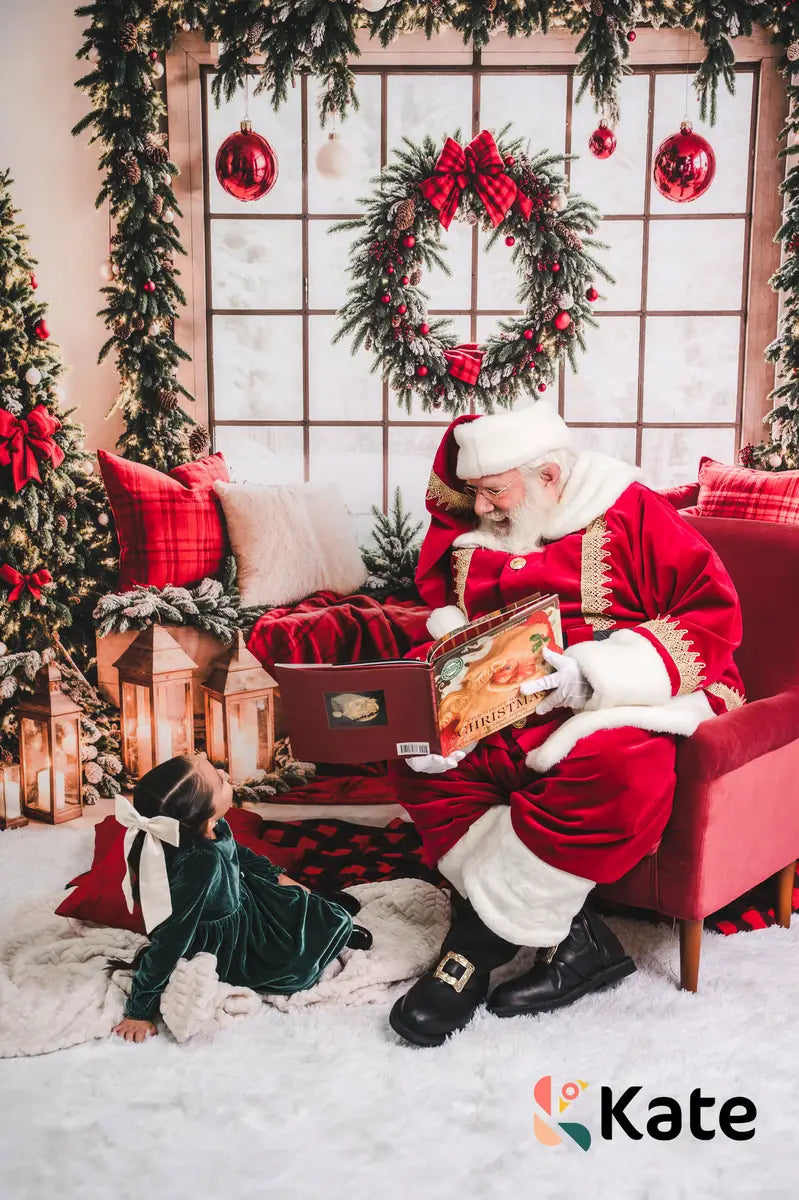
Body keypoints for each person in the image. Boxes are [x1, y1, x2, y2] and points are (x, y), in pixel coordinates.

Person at [388, 404, 745, 1048]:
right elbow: (460, 627)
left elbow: (711, 613)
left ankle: (473, 947)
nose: (486, 508)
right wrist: (442, 708)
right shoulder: (487, 528)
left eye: (497, 492)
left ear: (549, 476)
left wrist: (596, 674)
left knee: (619, 772)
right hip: (505, 693)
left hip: (615, 689)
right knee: (419, 756)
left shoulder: (631, 509)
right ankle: (580, 944)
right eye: (477, 494)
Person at [112, 752, 371, 1043]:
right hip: (235, 939)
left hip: (246, 894)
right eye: (219, 781)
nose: (224, 774)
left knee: (299, 899)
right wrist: (139, 1009)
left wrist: (276, 876)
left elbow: (240, 854)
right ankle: (339, 932)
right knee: (300, 950)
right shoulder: (198, 862)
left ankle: (322, 908)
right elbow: (172, 938)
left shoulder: (211, 827)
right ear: (207, 819)